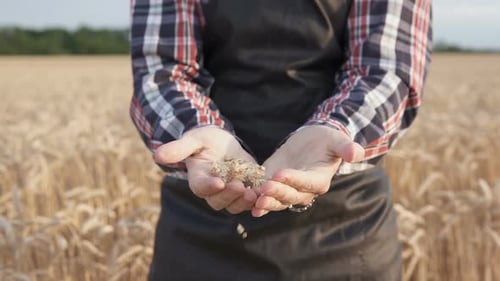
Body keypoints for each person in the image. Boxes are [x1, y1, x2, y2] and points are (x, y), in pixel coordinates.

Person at [129, 0, 432, 280]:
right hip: (202, 216)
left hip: (345, 227)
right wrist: (196, 127)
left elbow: (384, 70)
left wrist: (336, 128)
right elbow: (163, 72)